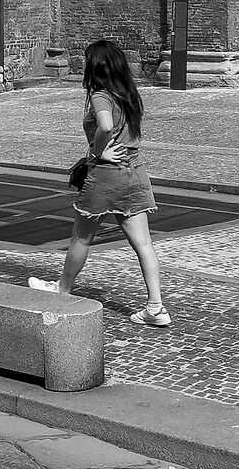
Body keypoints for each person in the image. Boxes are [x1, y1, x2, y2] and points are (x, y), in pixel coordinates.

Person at [30, 37, 169, 327]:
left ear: (95, 67)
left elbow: (105, 125)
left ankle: (63, 289)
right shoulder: (128, 94)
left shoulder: (100, 95)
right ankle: (155, 306)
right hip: (135, 170)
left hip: (107, 175)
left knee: (81, 237)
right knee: (144, 243)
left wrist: (97, 151)